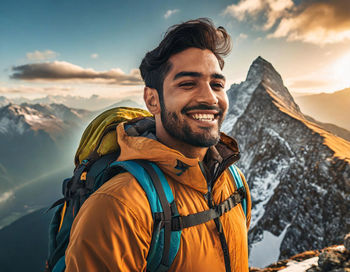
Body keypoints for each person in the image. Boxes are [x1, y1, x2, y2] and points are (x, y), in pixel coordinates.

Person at [65, 18, 251, 272]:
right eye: (187, 83)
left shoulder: (233, 181)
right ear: (153, 100)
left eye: (217, 84)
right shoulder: (119, 206)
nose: (210, 97)